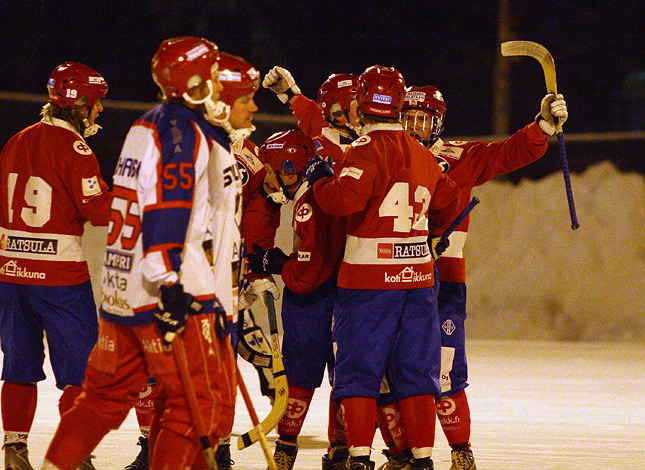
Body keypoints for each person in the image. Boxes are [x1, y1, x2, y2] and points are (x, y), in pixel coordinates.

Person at [40, 36, 242, 470]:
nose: (218, 83)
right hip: (163, 287)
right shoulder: (184, 131)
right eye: (211, 75)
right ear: (193, 82)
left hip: (120, 288)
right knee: (196, 409)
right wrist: (169, 278)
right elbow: (166, 206)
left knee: (100, 401)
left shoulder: (144, 123)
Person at [376, 85, 568, 470]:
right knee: (385, 373)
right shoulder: (382, 153)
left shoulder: (459, 155)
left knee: (443, 372)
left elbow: (506, 153)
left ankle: (461, 451)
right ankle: (401, 453)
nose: (414, 128)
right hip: (386, 280)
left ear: (439, 123)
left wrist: (542, 127)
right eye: (407, 119)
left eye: (422, 120)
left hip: (442, 283)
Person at [304, 65, 461, 470]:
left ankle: (359, 456)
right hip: (418, 279)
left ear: (361, 102)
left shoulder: (364, 148)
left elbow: (344, 202)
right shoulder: (421, 151)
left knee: (358, 370)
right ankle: (423, 459)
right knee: (416, 371)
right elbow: (448, 196)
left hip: (370, 279)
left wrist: (321, 181)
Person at [0, 61, 111, 470]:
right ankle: (74, 453)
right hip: (60, 277)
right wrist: (137, 204)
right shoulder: (76, 148)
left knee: (18, 366)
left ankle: (14, 448)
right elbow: (98, 209)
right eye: (96, 104)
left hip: (11, 273)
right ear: (79, 103)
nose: (98, 111)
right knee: (79, 372)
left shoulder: (16, 140)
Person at [246, 129, 347, 470]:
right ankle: (341, 450)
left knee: (302, 375)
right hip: (345, 293)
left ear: (288, 169)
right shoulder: (316, 189)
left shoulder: (308, 202)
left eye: (271, 169)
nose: (268, 178)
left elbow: (306, 276)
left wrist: (277, 264)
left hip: (318, 300)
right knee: (345, 376)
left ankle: (287, 448)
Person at [263, 68, 360, 161]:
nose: (368, 110)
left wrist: (290, 95)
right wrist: (290, 95)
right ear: (338, 114)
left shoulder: (365, 132)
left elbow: (312, 114)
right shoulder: (323, 146)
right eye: (359, 107)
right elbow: (316, 118)